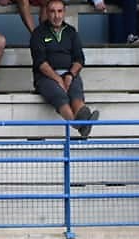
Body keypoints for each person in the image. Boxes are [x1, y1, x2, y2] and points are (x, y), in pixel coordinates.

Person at [29, 0, 99, 138]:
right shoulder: (38, 33)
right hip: (46, 77)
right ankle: (78, 125)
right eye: (53, 11)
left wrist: (70, 75)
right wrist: (58, 79)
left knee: (76, 94)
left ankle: (84, 117)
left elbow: (79, 59)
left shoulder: (71, 32)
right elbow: (40, 62)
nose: (56, 15)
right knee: (60, 95)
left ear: (64, 13)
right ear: (47, 13)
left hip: (69, 73)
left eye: (60, 11)